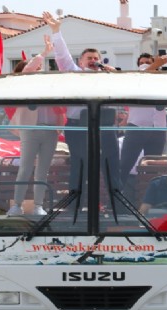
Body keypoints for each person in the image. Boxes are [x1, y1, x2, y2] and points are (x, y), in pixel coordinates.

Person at [42, 11, 117, 203]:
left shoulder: (109, 78)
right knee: (80, 165)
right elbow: (62, 56)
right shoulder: (74, 73)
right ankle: (75, 203)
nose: (93, 61)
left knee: (109, 165)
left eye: (95, 58)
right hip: (78, 128)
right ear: (80, 62)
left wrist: (117, 76)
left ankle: (113, 203)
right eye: (89, 58)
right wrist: (56, 31)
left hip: (104, 127)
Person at [7, 35, 63, 216]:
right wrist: (45, 52)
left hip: (50, 130)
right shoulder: (23, 83)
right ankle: (17, 205)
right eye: (35, 67)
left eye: (40, 67)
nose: (38, 69)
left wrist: (59, 127)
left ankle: (38, 205)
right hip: (30, 129)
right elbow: (29, 69)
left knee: (43, 171)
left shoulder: (51, 85)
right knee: (25, 168)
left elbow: (61, 109)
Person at [118, 53, 167, 186]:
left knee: (153, 168)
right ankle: (116, 197)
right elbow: (142, 78)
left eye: (148, 62)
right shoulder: (135, 78)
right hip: (136, 128)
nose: (144, 64)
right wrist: (155, 65)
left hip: (158, 129)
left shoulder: (163, 80)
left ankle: (148, 199)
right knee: (125, 164)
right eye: (141, 63)